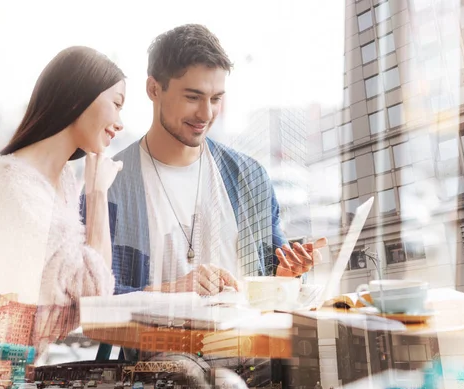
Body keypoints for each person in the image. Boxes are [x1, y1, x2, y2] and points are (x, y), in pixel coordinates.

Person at [81, 24, 327, 302]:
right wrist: (174, 291)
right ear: (153, 89)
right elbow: (95, 299)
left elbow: (274, 284)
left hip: (251, 344)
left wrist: (287, 275)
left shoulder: (251, 178)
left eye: (216, 99)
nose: (206, 113)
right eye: (193, 97)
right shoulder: (109, 183)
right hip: (161, 344)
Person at [0, 46, 125, 359]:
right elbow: (95, 296)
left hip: (26, 368)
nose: (119, 122)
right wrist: (97, 193)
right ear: (78, 97)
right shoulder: (14, 182)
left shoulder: (60, 181)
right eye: (116, 104)